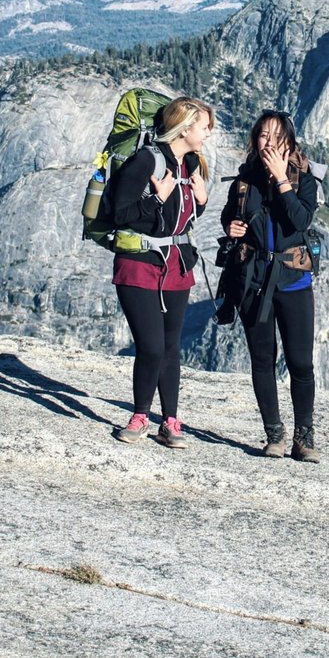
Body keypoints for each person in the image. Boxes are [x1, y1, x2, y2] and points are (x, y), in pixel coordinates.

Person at [110, 96, 213, 449]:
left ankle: (169, 421)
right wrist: (156, 199)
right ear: (184, 128)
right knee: (151, 347)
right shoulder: (146, 160)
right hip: (139, 265)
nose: (207, 134)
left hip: (176, 266)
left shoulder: (190, 165)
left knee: (170, 348)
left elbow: (180, 220)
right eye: (204, 127)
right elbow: (118, 212)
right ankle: (140, 416)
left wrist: (201, 201)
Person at [221, 109, 322, 463]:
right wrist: (232, 228)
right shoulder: (244, 180)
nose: (269, 143)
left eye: (277, 137)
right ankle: (274, 434)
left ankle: (304, 437)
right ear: (254, 140)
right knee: (262, 360)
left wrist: (281, 179)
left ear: (290, 143)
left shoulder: (305, 180)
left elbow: (300, 219)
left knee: (301, 363)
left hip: (293, 281)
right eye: (263, 135)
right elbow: (230, 215)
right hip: (255, 281)